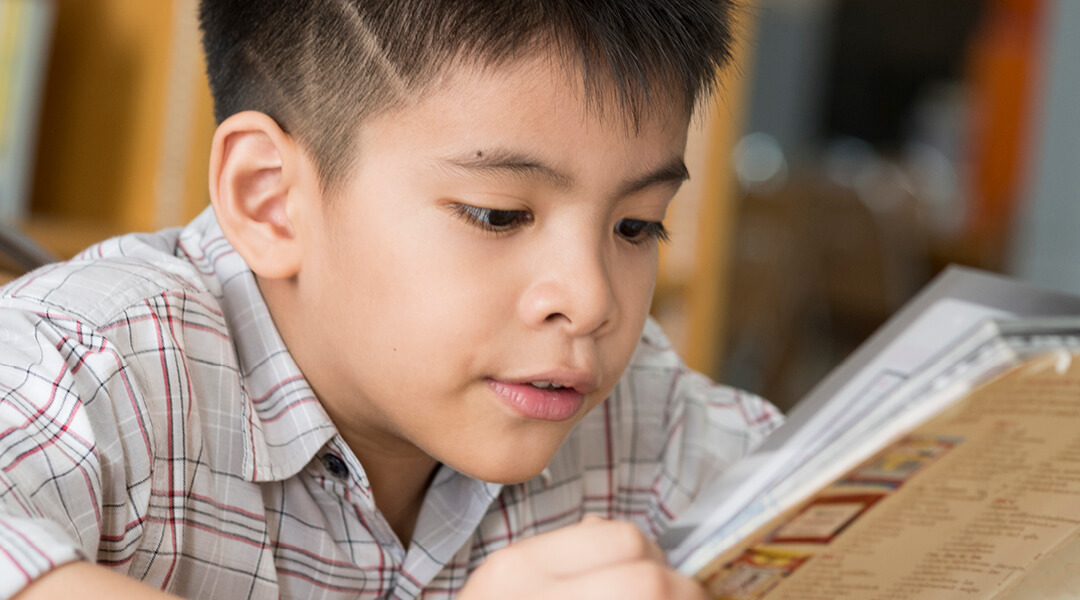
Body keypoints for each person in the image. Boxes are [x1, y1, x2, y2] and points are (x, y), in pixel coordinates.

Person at [1, 1, 781, 598]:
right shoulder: (87, 363)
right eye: (499, 215)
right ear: (271, 200)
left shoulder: (641, 420)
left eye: (637, 227)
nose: (589, 301)